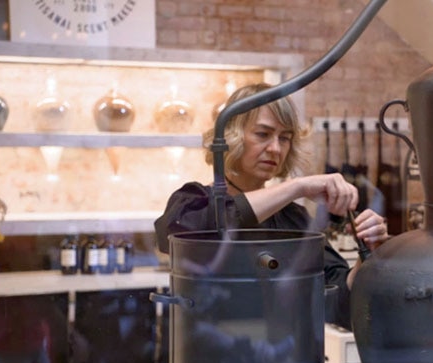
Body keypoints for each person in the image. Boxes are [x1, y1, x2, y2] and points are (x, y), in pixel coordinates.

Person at [154, 82, 389, 330]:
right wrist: (296, 187)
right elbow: (200, 229)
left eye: (284, 138)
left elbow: (340, 304)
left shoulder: (294, 220)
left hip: (285, 361)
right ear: (232, 137)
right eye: (263, 134)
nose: (275, 149)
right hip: (212, 360)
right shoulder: (193, 202)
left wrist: (369, 258)